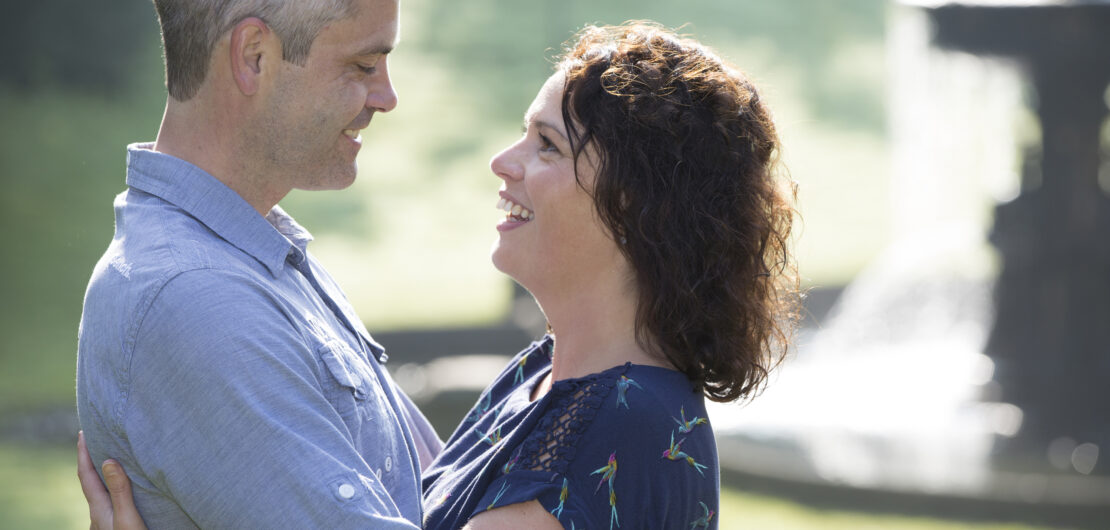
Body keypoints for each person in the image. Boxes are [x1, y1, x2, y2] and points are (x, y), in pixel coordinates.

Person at [80, 21, 798, 529]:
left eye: (546, 145)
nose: (504, 162)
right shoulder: (540, 381)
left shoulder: (621, 422)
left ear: (634, 204)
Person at [75, 0, 442, 528]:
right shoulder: (196, 302)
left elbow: (440, 488)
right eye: (363, 66)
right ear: (253, 57)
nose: (387, 97)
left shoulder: (253, 254)